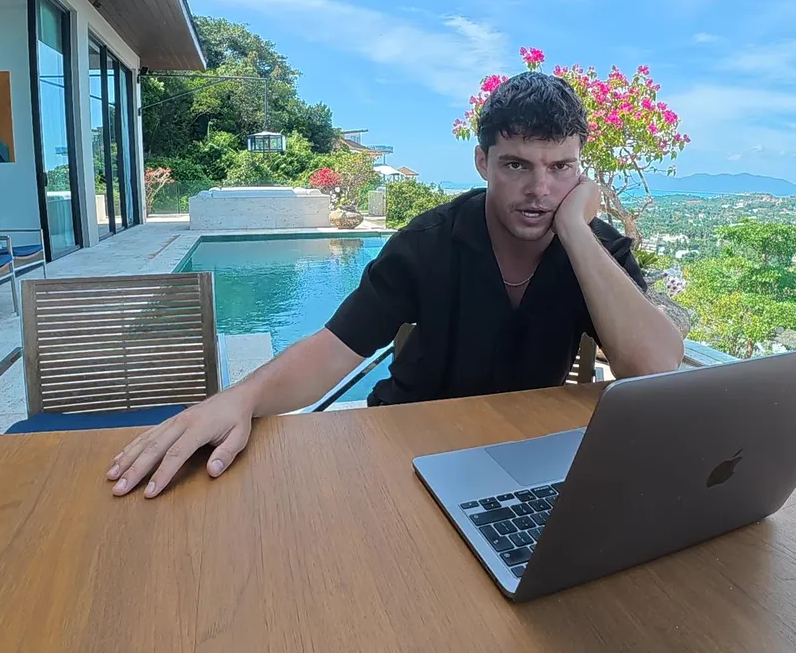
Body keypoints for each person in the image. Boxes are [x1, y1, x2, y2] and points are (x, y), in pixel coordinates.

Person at [108, 72, 685, 498]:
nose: (540, 189)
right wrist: (242, 398)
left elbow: (656, 368)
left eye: (561, 167)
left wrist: (575, 233)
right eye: (517, 165)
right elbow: (335, 347)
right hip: (406, 449)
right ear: (482, 162)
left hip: (522, 457)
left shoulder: (596, 251)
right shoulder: (429, 242)